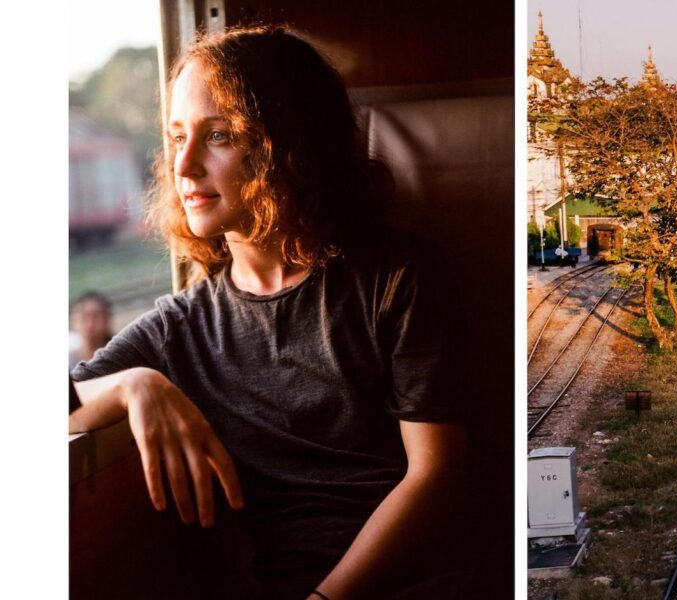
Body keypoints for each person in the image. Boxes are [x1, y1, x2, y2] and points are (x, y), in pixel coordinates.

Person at [67, 26, 467, 600]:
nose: (183, 164)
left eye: (220, 135)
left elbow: (436, 476)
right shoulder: (180, 327)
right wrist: (131, 386)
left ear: (290, 145)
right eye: (176, 136)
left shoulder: (397, 277)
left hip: (425, 579)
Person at [68, 291, 114, 371]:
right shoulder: (69, 359)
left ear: (107, 320)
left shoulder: (120, 354)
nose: (90, 323)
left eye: (96, 316)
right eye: (84, 317)